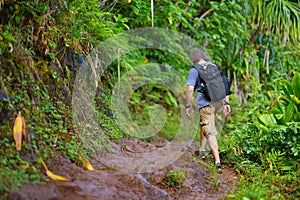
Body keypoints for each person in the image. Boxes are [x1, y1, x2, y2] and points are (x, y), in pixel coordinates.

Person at [185, 49, 231, 171]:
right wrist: (226, 102)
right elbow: (225, 85)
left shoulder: (195, 70)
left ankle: (217, 161)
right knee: (205, 122)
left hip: (206, 102)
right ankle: (201, 149)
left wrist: (187, 106)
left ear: (193, 59)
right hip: (219, 101)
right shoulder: (214, 67)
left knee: (209, 130)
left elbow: (190, 89)